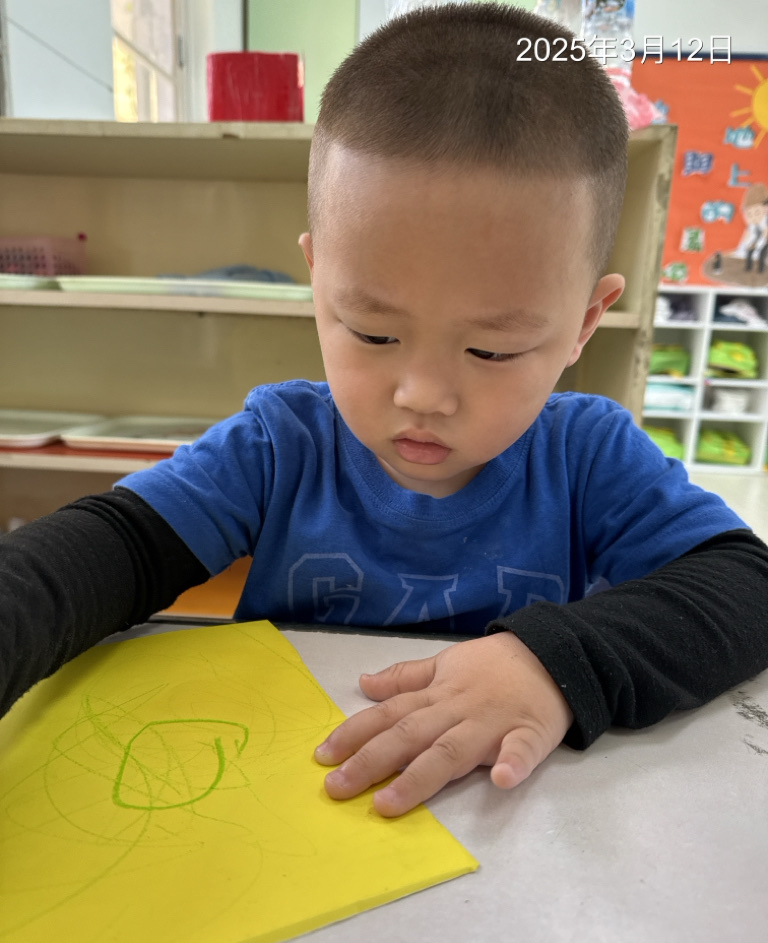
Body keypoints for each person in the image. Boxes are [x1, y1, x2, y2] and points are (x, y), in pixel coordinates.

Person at [2, 3, 767, 819]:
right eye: (372, 332)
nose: (422, 395)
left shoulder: (587, 457)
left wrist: (554, 662)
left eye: (492, 350)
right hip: (289, 806)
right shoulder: (279, 445)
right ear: (317, 282)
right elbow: (104, 552)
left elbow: (746, 588)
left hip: (510, 822)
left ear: (584, 322)